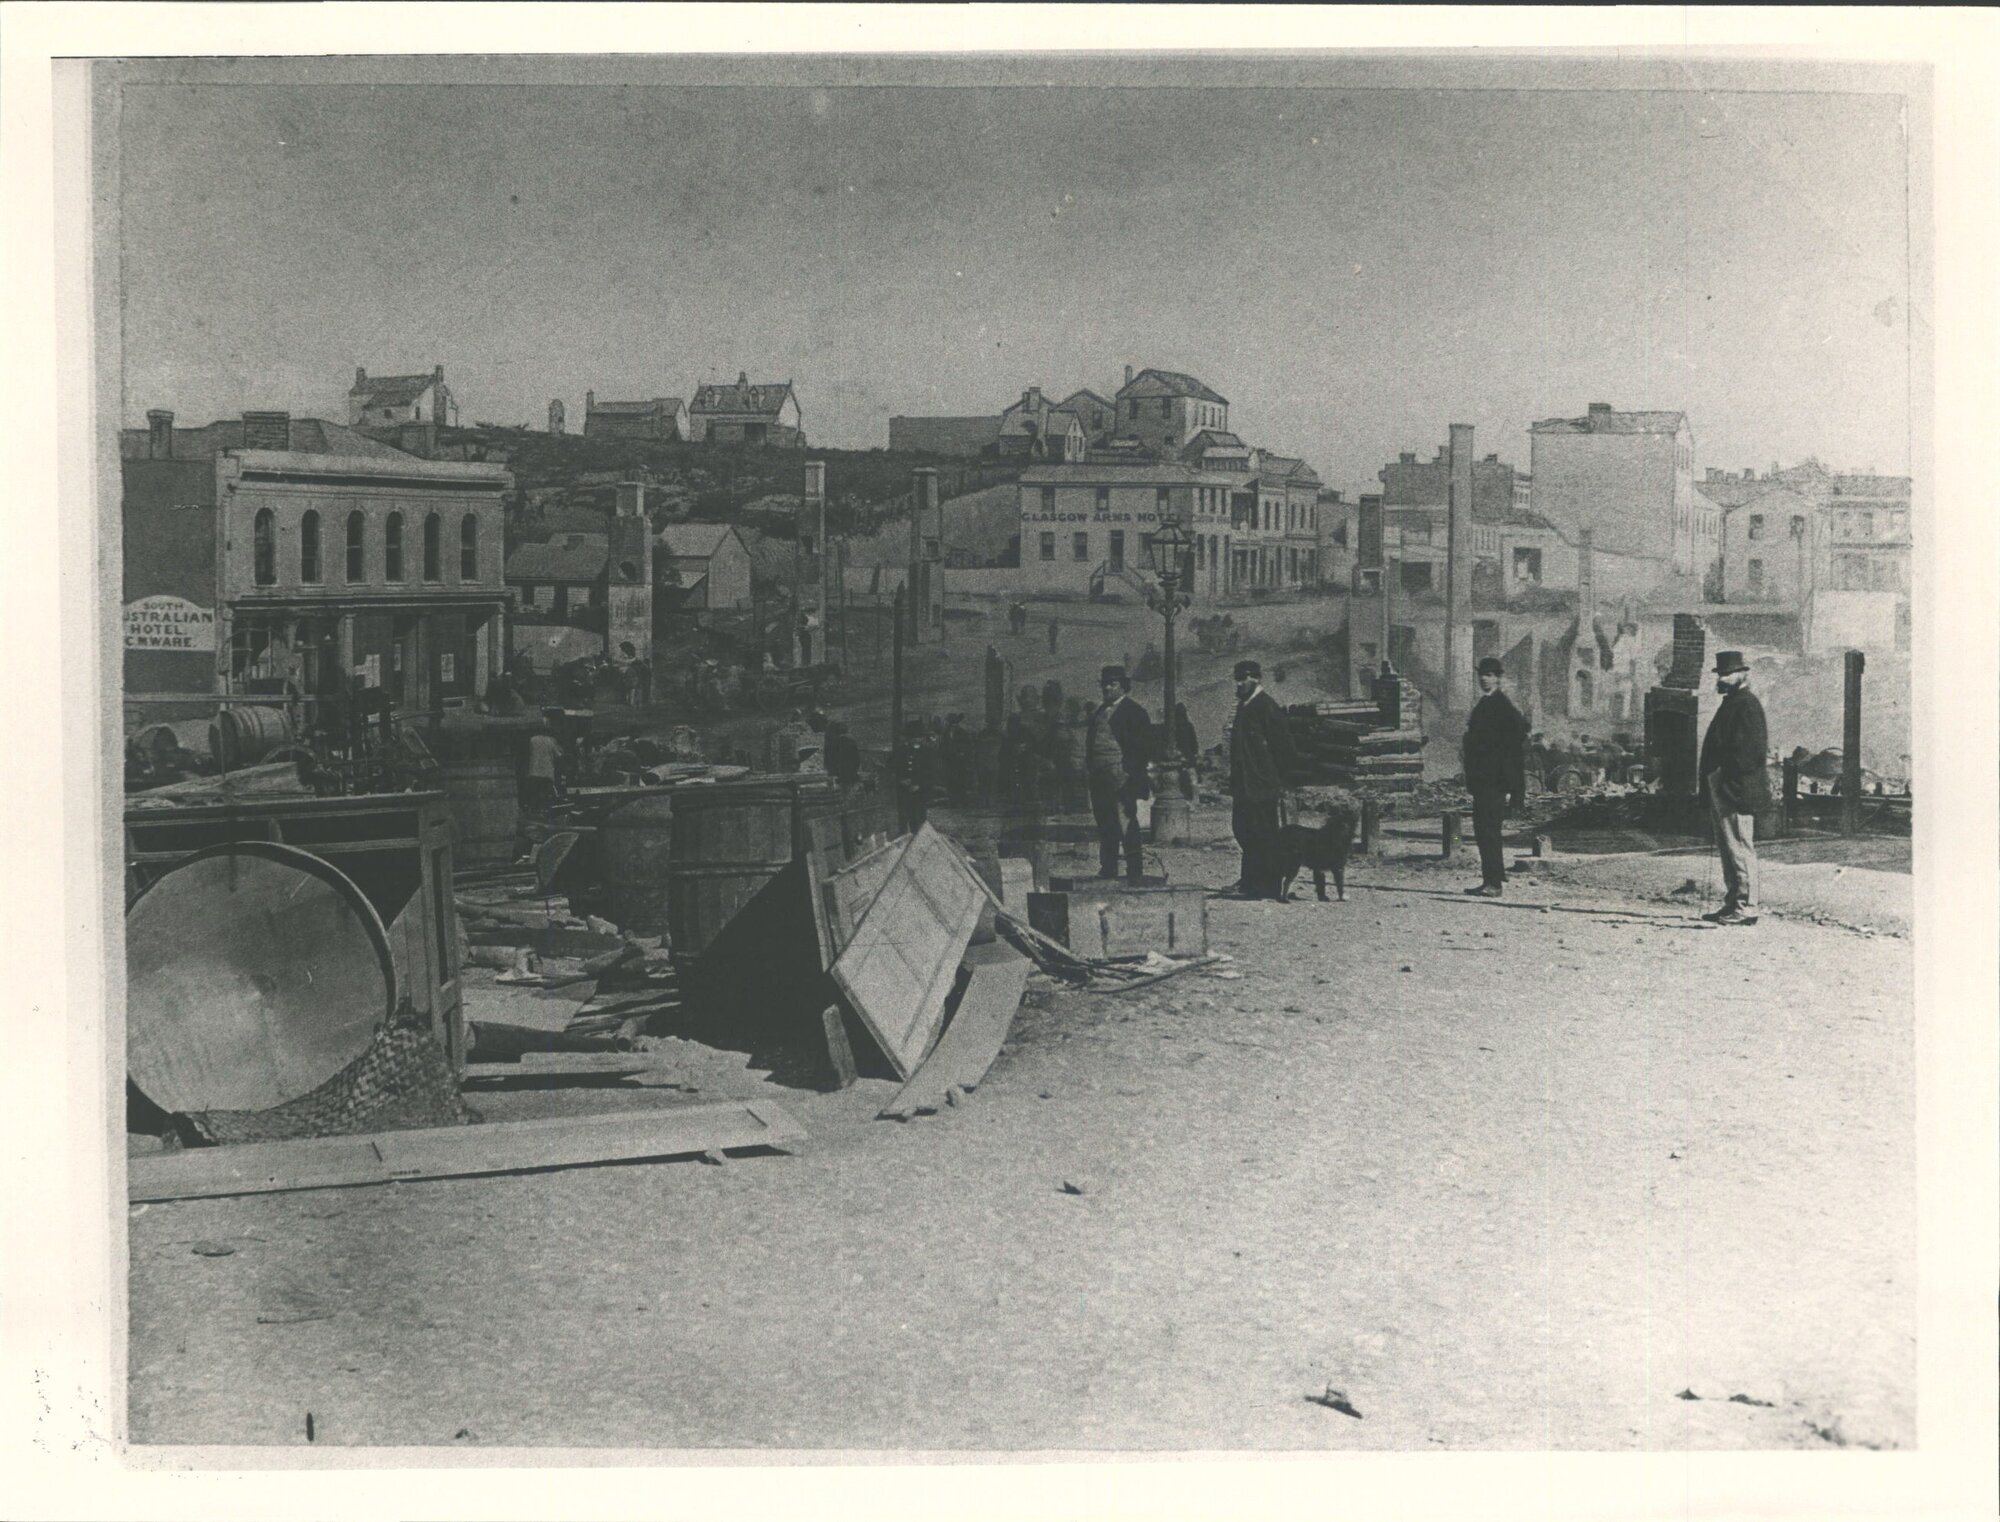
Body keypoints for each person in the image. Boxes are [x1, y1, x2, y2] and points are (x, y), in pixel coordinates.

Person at [1697, 650, 1770, 926]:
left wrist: (1726, 774)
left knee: (1739, 847)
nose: (1723, 679)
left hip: (1737, 788)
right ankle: (1733, 903)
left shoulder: (1747, 704)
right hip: (1723, 785)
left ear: (1742, 675)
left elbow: (1751, 753)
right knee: (1729, 848)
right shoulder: (1733, 702)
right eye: (1721, 675)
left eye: (1727, 674)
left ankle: (1747, 906)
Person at [1226, 658, 1296, 900]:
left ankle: (1266, 886)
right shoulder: (1244, 706)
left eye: (1244, 679)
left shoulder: (1266, 706)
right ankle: (1250, 881)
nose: (1239, 684)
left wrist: (1280, 781)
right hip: (1244, 784)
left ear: (1256, 679)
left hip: (1262, 783)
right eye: (1237, 679)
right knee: (1244, 831)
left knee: (1264, 834)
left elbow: (1284, 747)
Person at [1460, 656, 1529, 897]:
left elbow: (1516, 737)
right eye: (1482, 674)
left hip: (1493, 780)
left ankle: (1494, 884)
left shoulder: (1500, 705)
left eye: (1489, 675)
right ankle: (1492, 878)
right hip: (1484, 779)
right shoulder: (1487, 702)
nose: (1483, 678)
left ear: (1498, 678)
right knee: (1484, 830)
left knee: (1488, 830)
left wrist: (1505, 776)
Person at [1084, 664, 1152, 881]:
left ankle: (1134, 870)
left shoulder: (1134, 712)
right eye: (1104, 684)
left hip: (1122, 778)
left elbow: (1141, 749)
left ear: (1123, 687)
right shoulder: (1100, 712)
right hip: (1100, 778)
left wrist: (1129, 776)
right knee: (1105, 823)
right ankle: (1109, 867)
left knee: (1127, 824)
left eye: (1112, 684)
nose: (1107, 689)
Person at [893, 718, 939, 834]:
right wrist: (901, 780)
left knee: (919, 823)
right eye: (912, 738)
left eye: (918, 737)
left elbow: (932, 774)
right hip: (903, 793)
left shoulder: (928, 752)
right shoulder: (901, 751)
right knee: (903, 822)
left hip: (920, 794)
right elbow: (894, 769)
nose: (915, 741)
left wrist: (919, 785)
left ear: (923, 738)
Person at [1171, 701, 1200, 801]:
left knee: (1181, 779)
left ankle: (1185, 799)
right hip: (1189, 756)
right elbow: (1194, 742)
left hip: (1179, 756)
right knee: (1192, 780)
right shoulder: (1189, 726)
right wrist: (1195, 753)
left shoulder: (1173, 727)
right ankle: (1195, 800)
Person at [823, 719, 861, 787]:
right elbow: (857, 760)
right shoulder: (851, 740)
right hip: (849, 773)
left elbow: (827, 760)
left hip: (837, 774)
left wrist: (830, 770)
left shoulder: (830, 742)